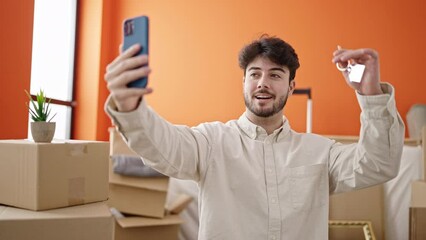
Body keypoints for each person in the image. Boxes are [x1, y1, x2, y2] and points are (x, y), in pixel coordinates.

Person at [104, 36, 405, 240]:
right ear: (244, 82)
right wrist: (130, 107)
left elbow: (379, 164)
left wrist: (370, 94)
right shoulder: (210, 142)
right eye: (254, 74)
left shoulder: (320, 151)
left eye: (275, 75)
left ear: (291, 86)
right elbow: (163, 147)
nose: (263, 83)